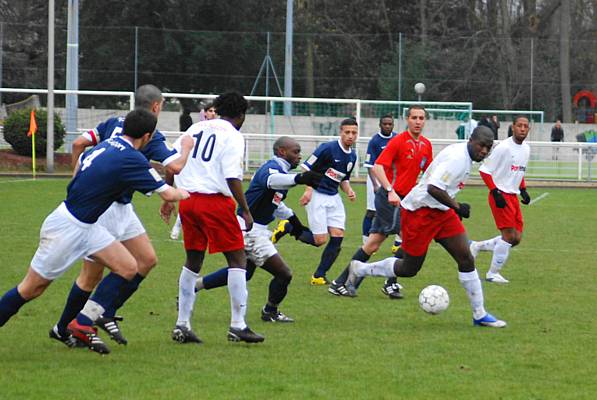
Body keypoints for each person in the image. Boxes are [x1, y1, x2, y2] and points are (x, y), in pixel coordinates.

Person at [0, 109, 190, 354]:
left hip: (89, 225)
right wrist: (187, 192)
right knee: (31, 288)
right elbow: (168, 193)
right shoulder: (132, 159)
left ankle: (82, 322)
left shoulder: (109, 143)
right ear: (147, 136)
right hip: (67, 227)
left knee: (128, 267)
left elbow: (79, 164)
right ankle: (71, 324)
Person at [50, 84, 193, 350]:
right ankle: (64, 327)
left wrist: (79, 175)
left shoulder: (114, 123)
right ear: (156, 106)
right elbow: (174, 166)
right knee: (90, 276)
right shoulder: (152, 136)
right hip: (104, 209)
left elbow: (79, 143)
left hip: (123, 208)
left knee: (147, 260)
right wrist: (186, 146)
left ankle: (103, 311)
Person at [345, 126, 507, 328]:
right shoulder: (457, 158)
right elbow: (433, 188)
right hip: (419, 212)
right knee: (409, 268)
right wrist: (457, 207)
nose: (484, 151)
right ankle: (360, 268)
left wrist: (452, 208)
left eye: (488, 148)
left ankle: (479, 314)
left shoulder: (465, 156)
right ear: (471, 140)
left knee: (466, 258)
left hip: (441, 212)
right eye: (481, 145)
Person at [162, 91, 265, 344]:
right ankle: (238, 325)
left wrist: (168, 197)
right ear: (241, 115)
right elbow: (232, 177)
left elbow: (171, 163)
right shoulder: (233, 135)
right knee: (237, 258)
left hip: (187, 201)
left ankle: (182, 324)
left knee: (193, 260)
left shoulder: (195, 128)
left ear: (217, 108)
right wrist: (245, 208)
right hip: (213, 202)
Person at [191, 137, 322, 323]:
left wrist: (295, 222)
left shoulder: (280, 170)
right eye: (296, 152)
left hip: (250, 229)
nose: (299, 156)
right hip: (250, 231)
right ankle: (270, 311)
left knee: (243, 272)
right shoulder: (270, 169)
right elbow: (272, 181)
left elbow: (276, 202)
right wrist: (299, 178)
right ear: (282, 152)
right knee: (284, 274)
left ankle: (194, 286)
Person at [328, 106, 432, 299]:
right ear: (407, 120)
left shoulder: (426, 145)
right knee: (384, 242)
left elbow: (427, 173)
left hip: (407, 201)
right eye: (414, 118)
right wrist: (391, 191)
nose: (418, 121)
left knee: (385, 243)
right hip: (389, 198)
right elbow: (377, 167)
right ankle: (361, 282)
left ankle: (343, 282)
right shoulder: (398, 141)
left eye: (421, 118)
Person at [292, 118, 358, 285]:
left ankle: (319, 275)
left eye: (354, 133)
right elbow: (306, 168)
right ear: (341, 132)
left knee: (338, 236)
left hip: (334, 197)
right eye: (347, 132)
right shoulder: (327, 148)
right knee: (319, 240)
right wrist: (308, 190)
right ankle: (289, 227)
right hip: (317, 194)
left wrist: (349, 190)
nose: (350, 136)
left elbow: (343, 179)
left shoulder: (353, 156)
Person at [469, 116, 531, 284]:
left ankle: (477, 246)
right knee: (509, 236)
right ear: (513, 127)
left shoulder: (526, 149)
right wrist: (495, 192)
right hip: (501, 194)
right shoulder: (503, 147)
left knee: (516, 238)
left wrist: (523, 189)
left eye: (526, 126)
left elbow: (518, 171)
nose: (522, 129)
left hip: (513, 195)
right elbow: (485, 170)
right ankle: (492, 274)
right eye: (520, 126)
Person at [170, 101, 218, 240]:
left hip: (208, 170)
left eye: (215, 111)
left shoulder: (221, 130)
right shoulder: (195, 128)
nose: (213, 113)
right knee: (190, 196)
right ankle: (178, 226)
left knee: (205, 200)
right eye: (210, 111)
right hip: (194, 168)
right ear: (204, 113)